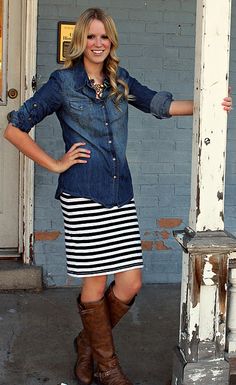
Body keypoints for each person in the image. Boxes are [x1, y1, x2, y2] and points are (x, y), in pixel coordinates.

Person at [4, 7, 232, 385]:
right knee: (94, 285)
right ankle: (108, 368)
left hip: (119, 193)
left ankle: (86, 344)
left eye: (104, 36)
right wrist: (56, 164)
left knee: (130, 283)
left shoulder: (118, 80)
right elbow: (15, 129)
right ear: (80, 41)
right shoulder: (62, 83)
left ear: (111, 41)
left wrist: (208, 106)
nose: (98, 43)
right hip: (83, 195)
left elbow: (161, 105)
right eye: (91, 36)